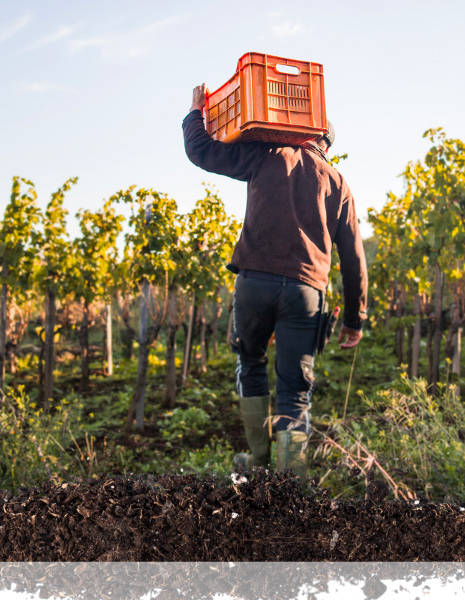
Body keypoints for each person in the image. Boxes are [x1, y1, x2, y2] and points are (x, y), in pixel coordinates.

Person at [183, 84, 368, 478]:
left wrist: (195, 113)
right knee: (295, 390)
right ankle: (292, 485)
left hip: (255, 283)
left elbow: (203, 152)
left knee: (250, 362)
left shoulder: (267, 155)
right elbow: (353, 258)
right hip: (306, 293)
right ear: (326, 145)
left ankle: (257, 461)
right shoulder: (338, 182)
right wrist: (355, 318)